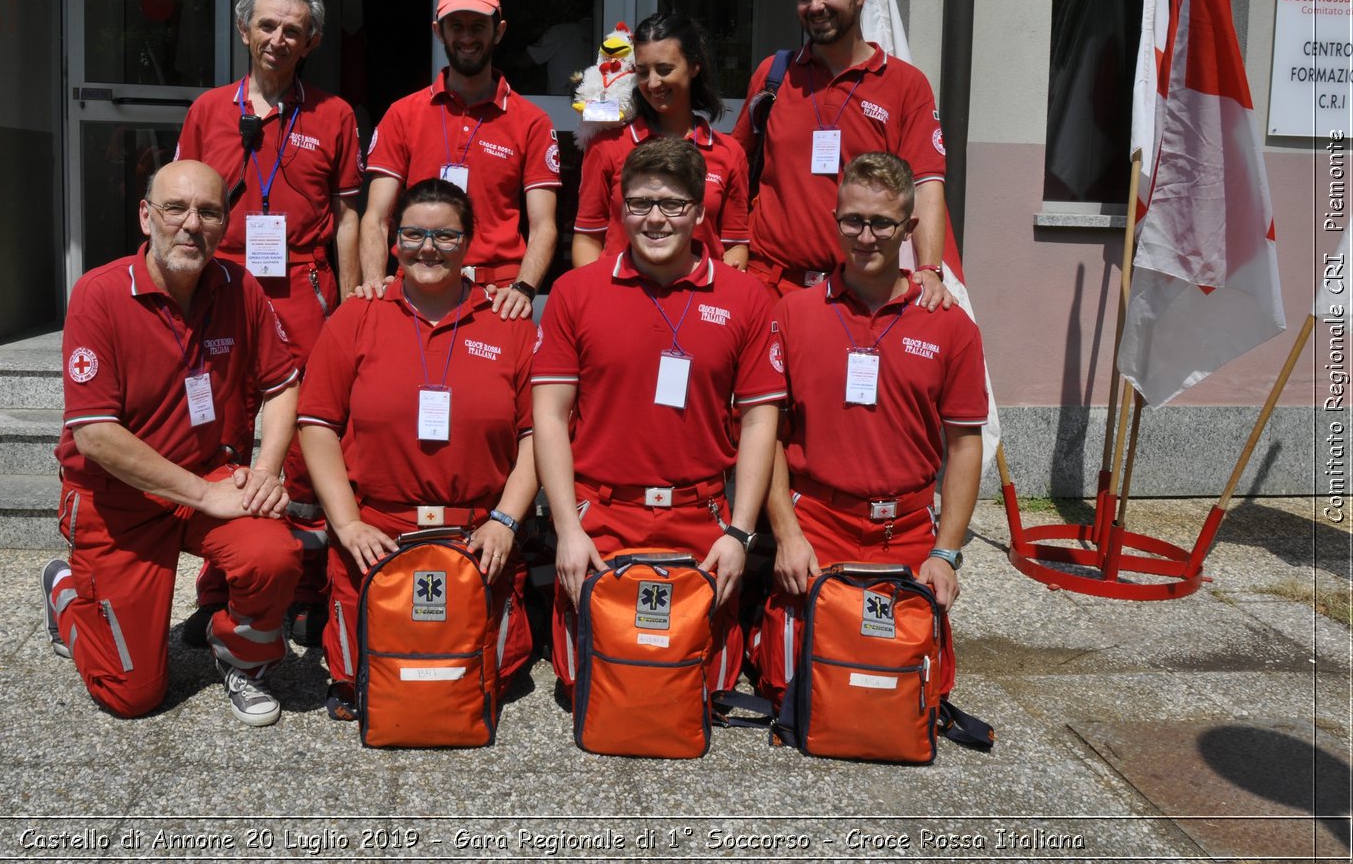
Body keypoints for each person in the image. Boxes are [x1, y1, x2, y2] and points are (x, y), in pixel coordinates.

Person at [41, 161, 304, 726]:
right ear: (146, 217)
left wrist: (266, 471)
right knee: (131, 696)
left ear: (225, 223)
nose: (192, 225)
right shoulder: (99, 294)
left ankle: (239, 658)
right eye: (175, 209)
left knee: (275, 554)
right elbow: (96, 435)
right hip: (119, 500)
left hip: (210, 474)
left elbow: (284, 386)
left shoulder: (240, 287)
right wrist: (207, 498)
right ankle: (65, 593)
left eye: (209, 212)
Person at [532, 136, 784, 700]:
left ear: (698, 211)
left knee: (700, 690)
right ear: (620, 209)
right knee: (592, 685)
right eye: (641, 203)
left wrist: (741, 533)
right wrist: (567, 532)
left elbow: (760, 422)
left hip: (702, 521)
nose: (655, 219)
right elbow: (548, 416)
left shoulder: (746, 298)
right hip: (603, 520)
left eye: (672, 204)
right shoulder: (575, 292)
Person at [752, 151, 986, 704]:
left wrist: (945, 552)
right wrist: (786, 535)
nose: (865, 235)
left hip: (904, 530)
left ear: (908, 227)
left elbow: (965, 443)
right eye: (852, 220)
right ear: (835, 220)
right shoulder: (793, 314)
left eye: (882, 222)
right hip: (819, 525)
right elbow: (769, 436)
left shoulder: (950, 325)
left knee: (904, 690)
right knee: (797, 685)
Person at [300, 178, 538, 719]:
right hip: (378, 533)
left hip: (476, 535)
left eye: (445, 236)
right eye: (412, 233)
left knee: (473, 679)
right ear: (393, 241)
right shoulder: (357, 315)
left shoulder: (509, 324)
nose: (427, 247)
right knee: (369, 678)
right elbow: (316, 424)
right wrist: (348, 524)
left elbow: (535, 437)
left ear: (471, 242)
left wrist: (505, 520)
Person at [172, 0, 362, 646]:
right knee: (220, 435)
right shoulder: (206, 111)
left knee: (308, 444)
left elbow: (347, 216)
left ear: (310, 41)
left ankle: (305, 590)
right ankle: (220, 586)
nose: (278, 38)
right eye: (267, 26)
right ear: (244, 32)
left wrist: (355, 298)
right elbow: (180, 208)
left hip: (302, 293)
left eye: (292, 29)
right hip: (222, 290)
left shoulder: (334, 114)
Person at [731, 0, 952, 308]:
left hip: (859, 294)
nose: (815, 6)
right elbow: (735, 167)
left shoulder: (905, 85)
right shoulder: (773, 76)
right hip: (768, 285)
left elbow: (927, 184)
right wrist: (733, 244)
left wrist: (930, 268)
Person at [359, 0, 562, 322]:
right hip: (418, 284)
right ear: (439, 31)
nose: (467, 37)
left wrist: (524, 289)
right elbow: (376, 216)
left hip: (498, 296)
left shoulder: (532, 122)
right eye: (456, 26)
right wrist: (376, 283)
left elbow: (544, 225)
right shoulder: (403, 113)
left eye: (478, 26)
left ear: (498, 31)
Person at [572, 12, 749, 270]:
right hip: (623, 301)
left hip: (697, 302)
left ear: (694, 66)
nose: (653, 83)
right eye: (643, 72)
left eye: (664, 70)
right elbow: (588, 238)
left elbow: (734, 243)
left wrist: (726, 285)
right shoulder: (606, 146)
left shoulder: (729, 152)